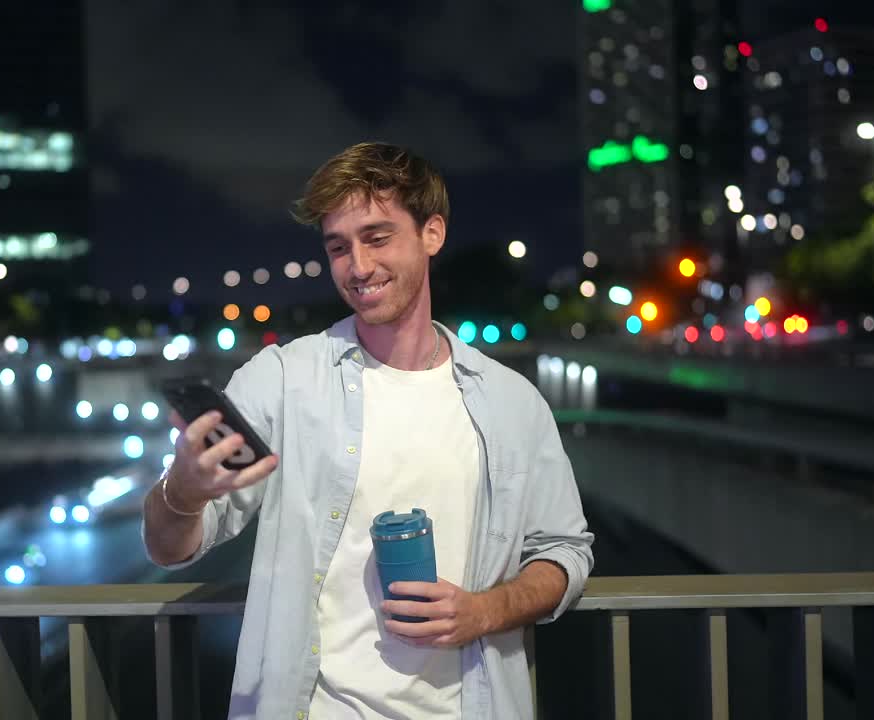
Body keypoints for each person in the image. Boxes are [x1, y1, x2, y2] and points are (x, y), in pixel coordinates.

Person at [142, 142, 593, 719]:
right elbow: (169, 547)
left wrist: (486, 611)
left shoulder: (512, 402)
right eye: (338, 247)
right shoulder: (281, 379)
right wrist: (181, 492)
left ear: (432, 234)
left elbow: (565, 553)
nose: (357, 267)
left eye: (377, 237)